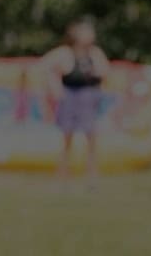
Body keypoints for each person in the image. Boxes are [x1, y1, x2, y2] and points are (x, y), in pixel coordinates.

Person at [42, 19, 111, 182]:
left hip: (88, 94)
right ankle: (64, 167)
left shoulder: (94, 53)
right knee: (67, 132)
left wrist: (97, 74)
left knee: (90, 132)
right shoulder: (65, 52)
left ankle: (91, 167)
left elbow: (106, 71)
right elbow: (45, 65)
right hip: (69, 94)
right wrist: (55, 86)